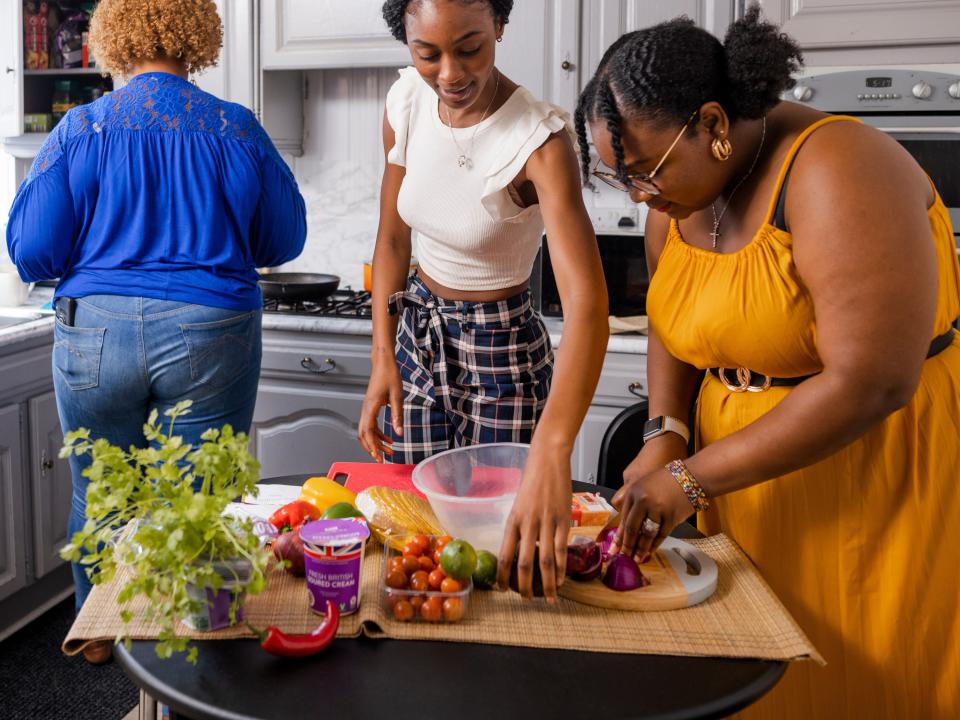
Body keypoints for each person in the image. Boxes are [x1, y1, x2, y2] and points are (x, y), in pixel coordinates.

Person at [575, 8, 960, 719]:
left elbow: (873, 380)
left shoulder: (839, 169)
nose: (637, 196)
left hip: (868, 479)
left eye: (645, 171)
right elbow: (673, 318)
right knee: (753, 682)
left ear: (715, 125)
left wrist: (690, 478)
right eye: (619, 176)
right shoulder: (676, 193)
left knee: (864, 677)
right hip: (741, 484)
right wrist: (667, 430)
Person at [6, 0, 306, 662]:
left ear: (111, 37)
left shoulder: (80, 129)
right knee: (196, 500)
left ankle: (99, 629)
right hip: (211, 330)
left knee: (101, 490)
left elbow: (31, 251)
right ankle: (188, 640)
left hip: (95, 335)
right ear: (198, 34)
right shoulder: (236, 128)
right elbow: (284, 237)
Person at [358, 0, 609, 601]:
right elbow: (392, 238)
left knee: (500, 554)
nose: (449, 74)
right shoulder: (405, 104)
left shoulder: (538, 141)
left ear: (499, 26)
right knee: (418, 534)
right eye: (428, 54)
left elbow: (588, 305)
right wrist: (382, 359)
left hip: (501, 353)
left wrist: (554, 448)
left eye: (470, 48)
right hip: (417, 333)